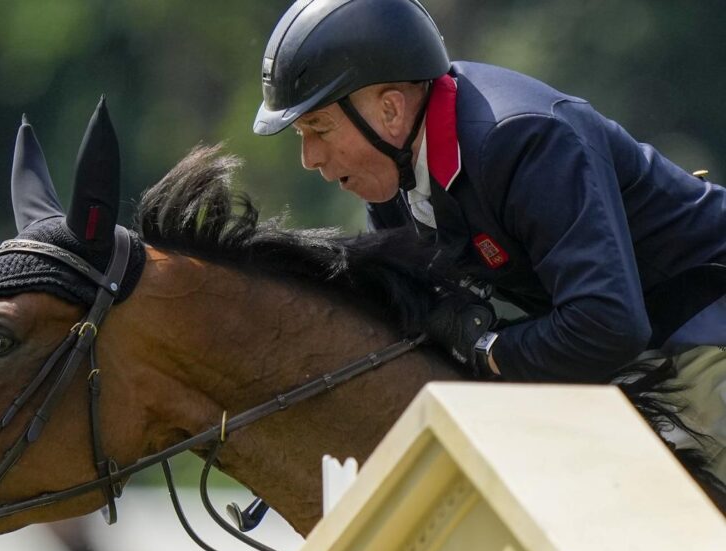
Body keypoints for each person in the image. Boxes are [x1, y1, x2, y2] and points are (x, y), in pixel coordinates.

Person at [253, 0, 726, 479]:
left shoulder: (522, 140)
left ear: (391, 110)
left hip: (705, 329)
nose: (309, 158)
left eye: (318, 127)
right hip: (634, 353)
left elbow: (608, 324)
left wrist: (485, 349)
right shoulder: (390, 176)